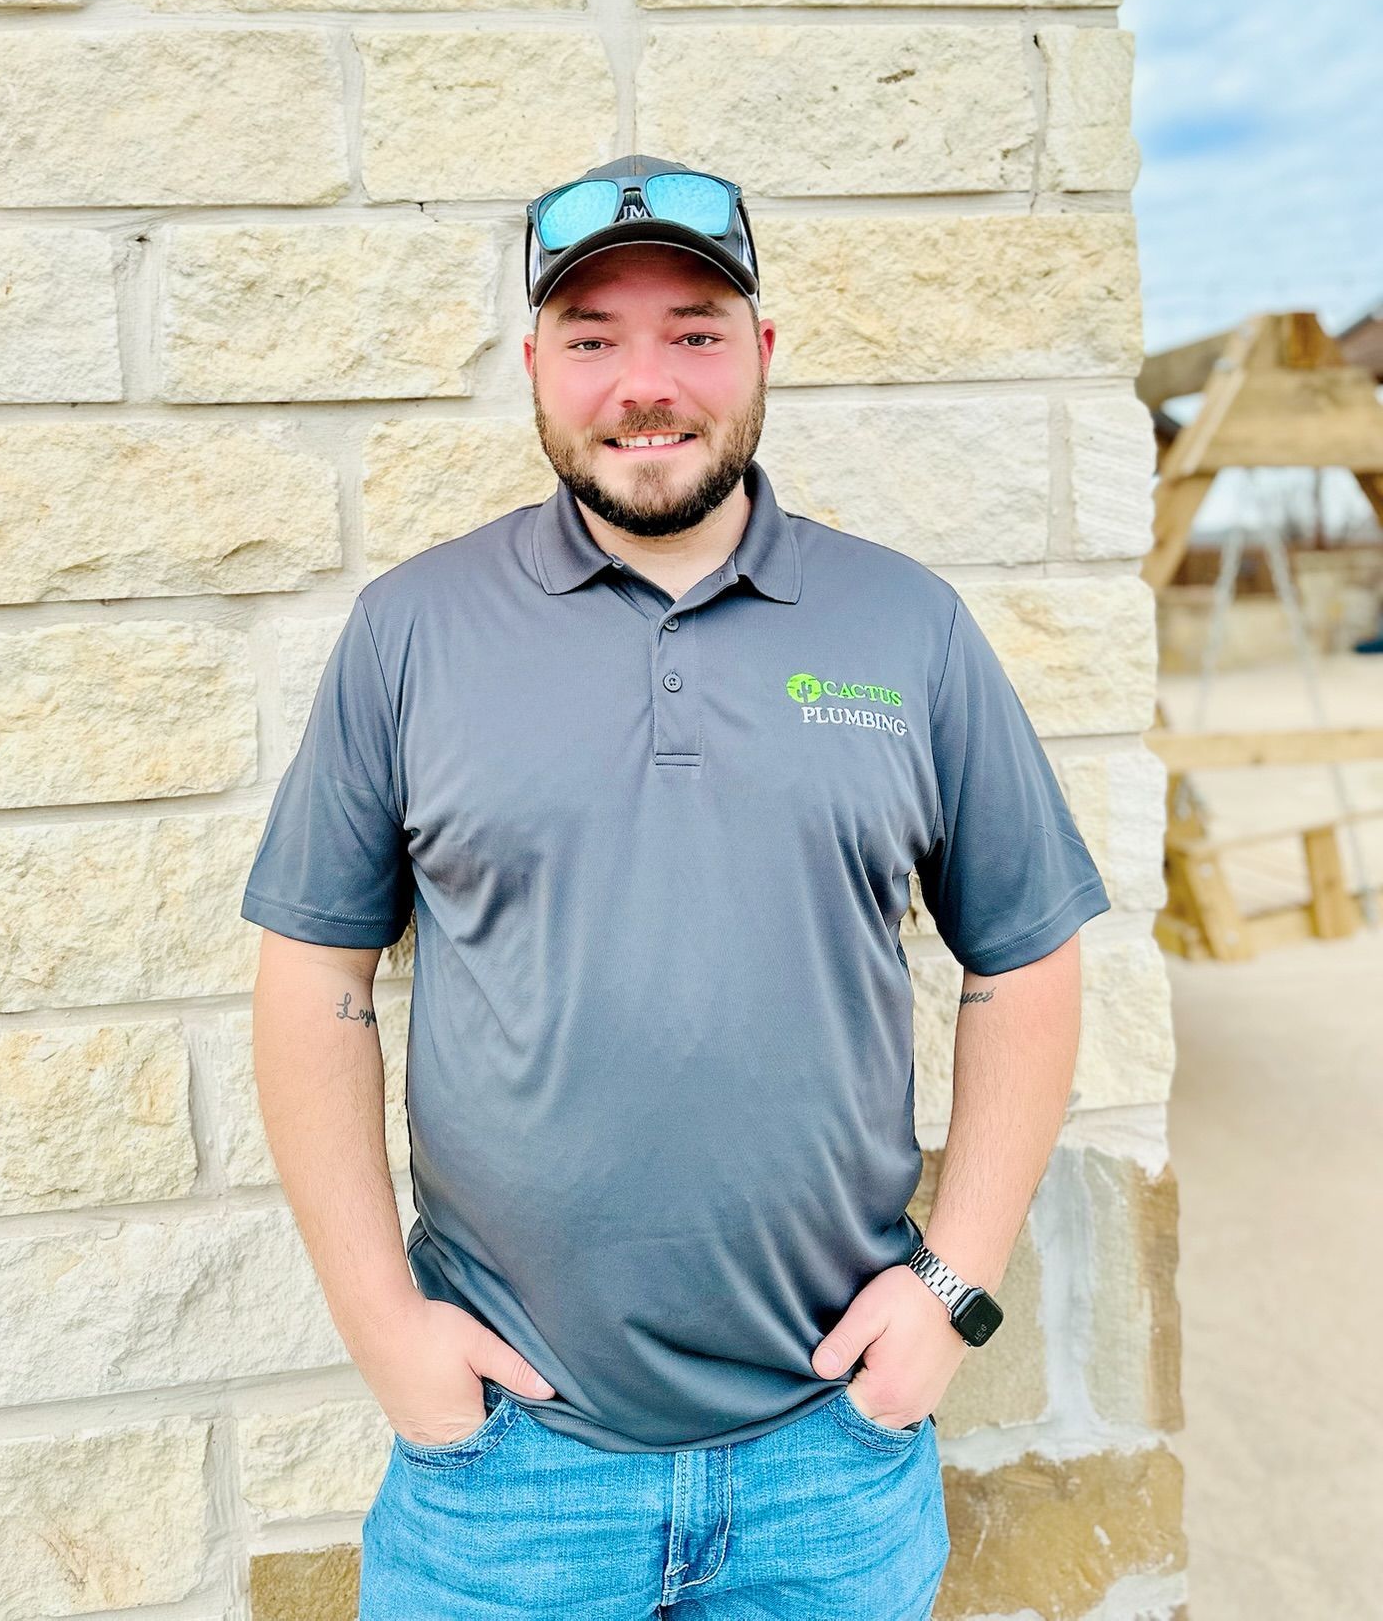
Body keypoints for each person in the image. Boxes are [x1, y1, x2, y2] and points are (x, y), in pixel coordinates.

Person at [242, 154, 1111, 1619]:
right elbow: (314, 978)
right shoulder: (412, 634)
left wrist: (953, 1295)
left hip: (829, 1465)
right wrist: (385, 1325)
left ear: (763, 355)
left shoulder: (908, 627)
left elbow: (1025, 957)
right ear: (534, 366)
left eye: (695, 330)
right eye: (593, 338)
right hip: (509, 1476)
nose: (646, 381)